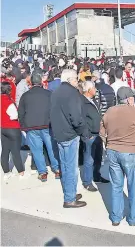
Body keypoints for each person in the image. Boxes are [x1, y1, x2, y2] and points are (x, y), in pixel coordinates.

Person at [100, 86, 135, 226]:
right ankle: (134, 218)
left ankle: (116, 217)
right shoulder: (134, 111)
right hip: (130, 152)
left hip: (112, 151)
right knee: (134, 185)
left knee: (116, 186)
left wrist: (107, 143)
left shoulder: (109, 111)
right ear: (129, 99)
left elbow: (101, 131)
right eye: (132, 97)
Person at [50, 69, 87, 208]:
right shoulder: (72, 93)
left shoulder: (56, 92)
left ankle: (69, 191)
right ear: (70, 79)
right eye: (76, 79)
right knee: (71, 167)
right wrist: (83, 131)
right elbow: (76, 118)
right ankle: (70, 198)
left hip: (59, 133)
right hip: (70, 134)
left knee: (65, 165)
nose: (77, 81)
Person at [18, 72, 60, 182]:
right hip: (47, 125)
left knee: (37, 151)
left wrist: (23, 126)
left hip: (31, 127)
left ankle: (42, 172)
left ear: (31, 83)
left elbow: (21, 112)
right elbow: (55, 109)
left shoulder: (25, 95)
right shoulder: (49, 94)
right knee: (52, 148)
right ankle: (57, 170)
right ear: (41, 82)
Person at [80, 81, 102, 192]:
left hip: (98, 134)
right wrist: (86, 134)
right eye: (93, 88)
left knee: (98, 157)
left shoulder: (93, 100)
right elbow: (81, 120)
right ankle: (87, 182)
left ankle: (97, 176)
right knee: (89, 159)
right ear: (89, 90)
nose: (96, 90)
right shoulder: (82, 102)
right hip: (90, 135)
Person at [1, 81, 25, 180]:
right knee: (15, 151)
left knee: (5, 151)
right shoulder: (8, 101)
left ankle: (6, 172)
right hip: (12, 128)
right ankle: (21, 172)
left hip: (2, 128)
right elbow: (14, 115)